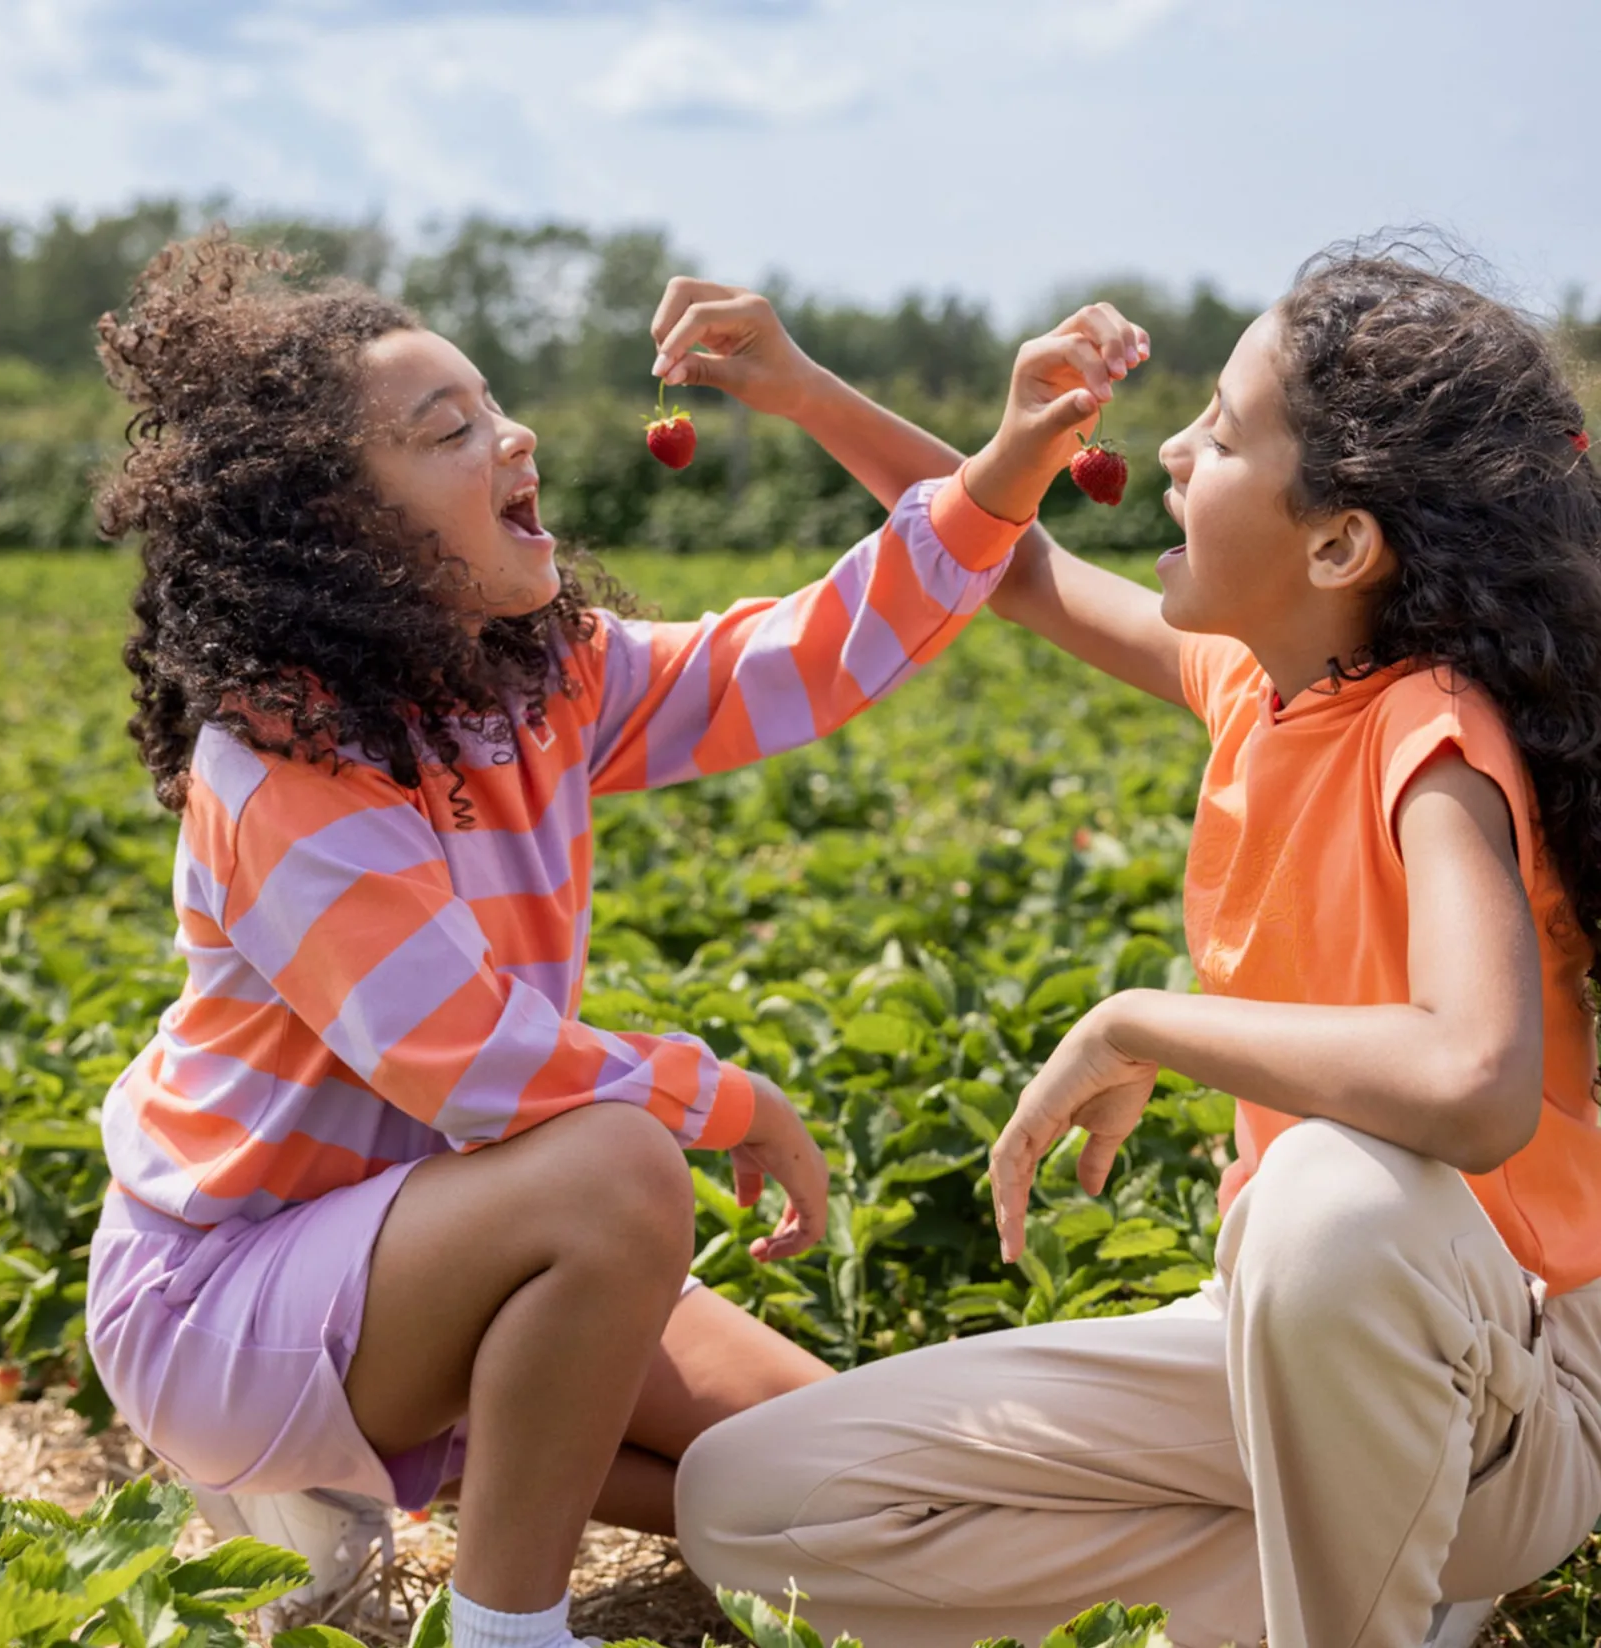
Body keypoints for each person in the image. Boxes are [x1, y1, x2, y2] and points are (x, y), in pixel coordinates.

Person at [83, 233, 1113, 1648]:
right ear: (336, 526)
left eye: (493, 403)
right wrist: (730, 1098)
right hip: (227, 1303)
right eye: (448, 430)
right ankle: (510, 1628)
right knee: (620, 1160)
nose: (511, 436)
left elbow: (796, 658)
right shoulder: (278, 763)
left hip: (451, 1248)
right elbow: (474, 1065)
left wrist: (1010, 461)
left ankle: (436, 1475)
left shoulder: (539, 681)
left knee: (828, 1466)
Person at [663, 250, 1601, 1647]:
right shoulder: (1264, 687)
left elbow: (1474, 1080)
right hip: (1288, 1348)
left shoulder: (1434, 738)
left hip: (1504, 1376)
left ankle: (1382, 1577)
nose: (1166, 450)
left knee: (1332, 1203)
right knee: (753, 1503)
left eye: (1219, 433)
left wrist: (1135, 1023)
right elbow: (1016, 566)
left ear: (1338, 546)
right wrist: (806, 392)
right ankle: (1357, 1575)